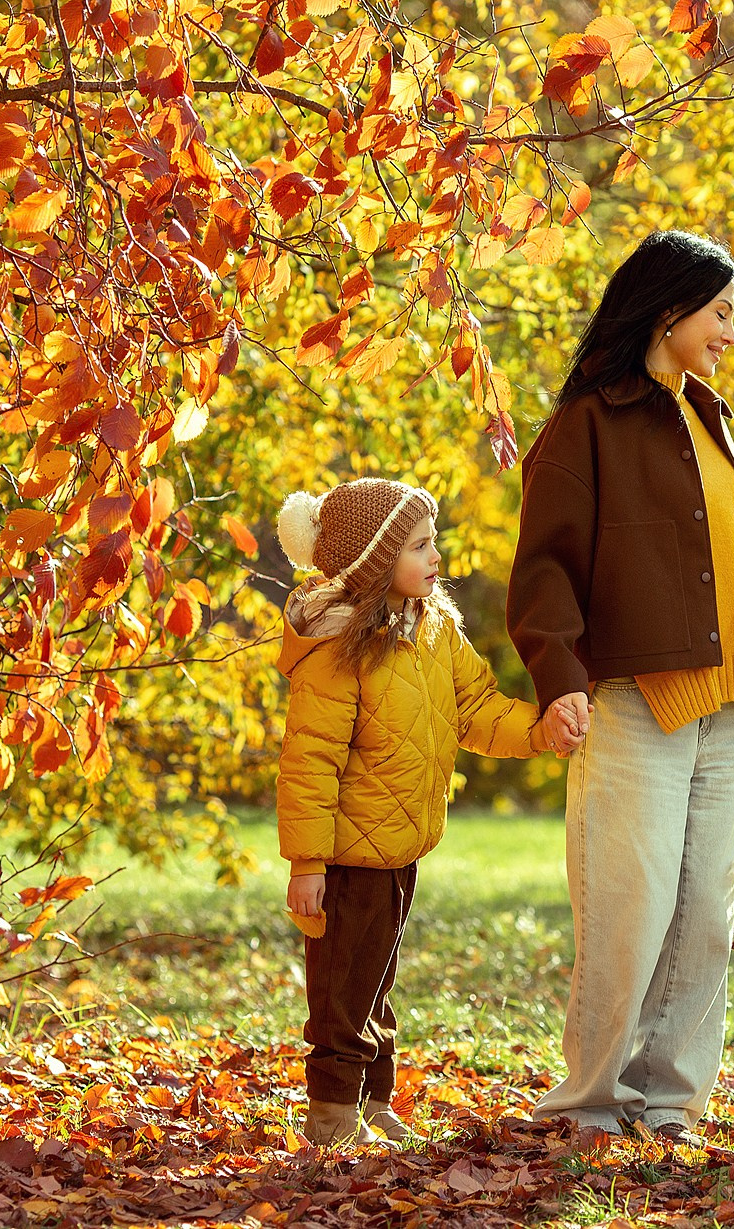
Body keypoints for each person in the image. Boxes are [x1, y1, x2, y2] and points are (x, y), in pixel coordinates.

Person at [507, 230, 734, 1151]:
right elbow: (544, 568)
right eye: (720, 314)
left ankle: (667, 1099)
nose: (729, 335)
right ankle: (590, 1101)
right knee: (630, 905)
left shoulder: (707, 414)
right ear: (669, 312)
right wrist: (558, 677)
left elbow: (732, 567)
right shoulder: (588, 420)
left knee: (703, 910)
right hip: (633, 696)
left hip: (723, 702)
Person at [273, 477, 586, 1148]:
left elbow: (475, 708)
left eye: (432, 541)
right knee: (341, 996)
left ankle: (375, 1100)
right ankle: (331, 1117)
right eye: (418, 545)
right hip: (346, 858)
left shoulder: (434, 626)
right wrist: (307, 861)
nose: (434, 555)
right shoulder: (335, 647)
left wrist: (539, 728)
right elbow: (310, 761)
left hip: (399, 849)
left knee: (376, 985)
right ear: (376, 560)